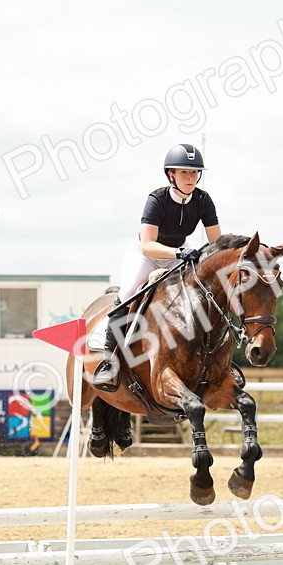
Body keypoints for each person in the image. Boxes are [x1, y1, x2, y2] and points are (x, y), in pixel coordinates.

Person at [92, 143, 222, 391]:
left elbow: (216, 242)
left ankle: (212, 359)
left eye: (194, 173)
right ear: (170, 174)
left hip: (179, 254)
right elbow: (148, 244)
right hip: (147, 254)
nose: (190, 178)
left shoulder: (204, 201)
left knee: (198, 296)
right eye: (184, 172)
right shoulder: (157, 199)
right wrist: (179, 252)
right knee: (129, 293)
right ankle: (109, 361)